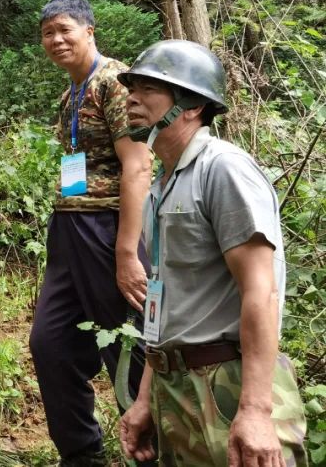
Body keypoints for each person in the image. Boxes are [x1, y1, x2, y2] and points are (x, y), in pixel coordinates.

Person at [117, 40, 307, 466]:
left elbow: (262, 292)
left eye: (149, 88)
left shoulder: (224, 169)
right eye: (132, 86)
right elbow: (165, 301)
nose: (132, 97)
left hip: (232, 384)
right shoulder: (161, 186)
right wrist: (147, 395)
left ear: (191, 106)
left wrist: (257, 411)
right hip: (177, 385)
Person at [29, 0, 155, 467]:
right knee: (50, 343)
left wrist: (127, 253)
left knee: (129, 342)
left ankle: (151, 451)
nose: (56, 40)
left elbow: (138, 166)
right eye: (48, 33)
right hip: (69, 228)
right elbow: (76, 168)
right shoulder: (72, 92)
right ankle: (82, 456)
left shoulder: (114, 83)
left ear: (89, 31)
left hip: (109, 228)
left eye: (65, 29)